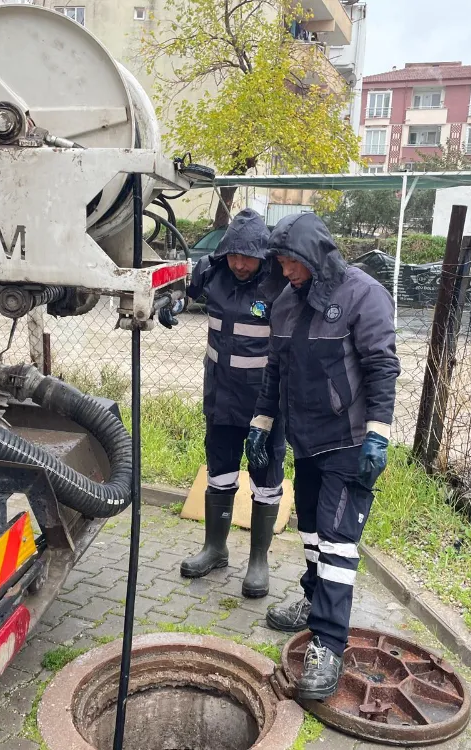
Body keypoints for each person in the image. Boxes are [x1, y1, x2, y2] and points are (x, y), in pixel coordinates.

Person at [245, 213, 399, 700]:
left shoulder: (363, 295)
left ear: (315, 255)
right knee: (310, 530)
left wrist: (379, 433)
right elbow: (276, 369)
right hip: (306, 440)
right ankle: (314, 602)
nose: (286, 269)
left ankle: (328, 643)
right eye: (282, 262)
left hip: (350, 441)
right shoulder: (287, 303)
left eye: (293, 261)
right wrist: (263, 422)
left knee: (337, 541)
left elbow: (381, 367)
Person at [160, 209, 287, 598]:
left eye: (247, 257)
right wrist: (172, 303)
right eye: (233, 255)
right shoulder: (213, 272)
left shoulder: (279, 283)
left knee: (264, 477)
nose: (239, 264)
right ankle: (215, 548)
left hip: (264, 404)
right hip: (220, 396)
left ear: (262, 254)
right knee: (220, 471)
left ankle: (258, 562)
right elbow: (183, 290)